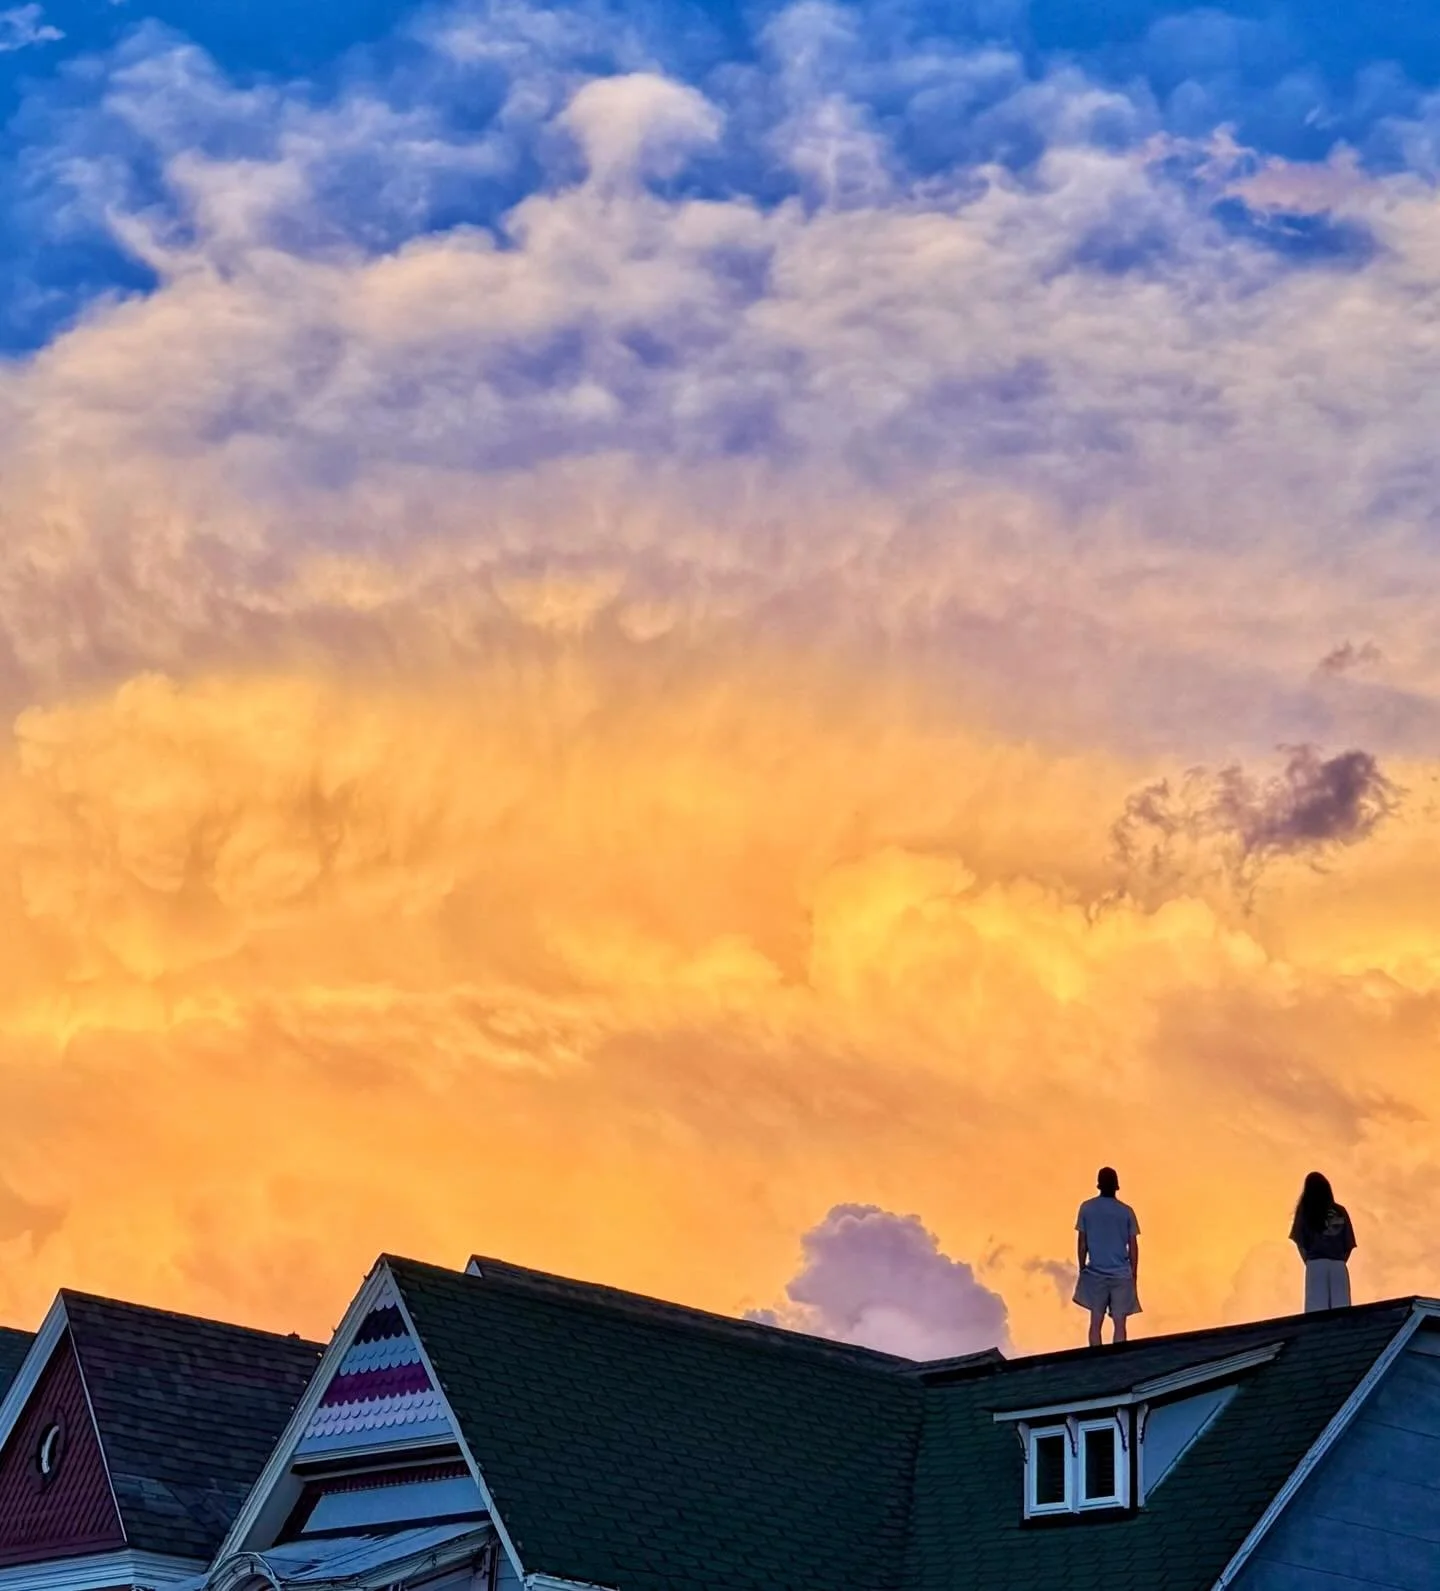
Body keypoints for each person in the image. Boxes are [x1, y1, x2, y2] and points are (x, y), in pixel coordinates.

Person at [1074, 1167, 1141, 1347]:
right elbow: (1133, 1246)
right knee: (1120, 1323)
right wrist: (1134, 1273)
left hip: (1096, 1272)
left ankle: (1096, 1357)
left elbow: (1082, 1243)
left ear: (1099, 1185)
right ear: (1116, 1186)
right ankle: (1117, 1358)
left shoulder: (1087, 1208)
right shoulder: (1126, 1212)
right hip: (1121, 1274)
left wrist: (1082, 1267)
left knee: (1096, 1321)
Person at [1290, 1172, 1356, 1312]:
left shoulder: (1306, 1211)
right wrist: (1339, 1260)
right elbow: (1349, 1244)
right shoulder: (1340, 1211)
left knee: (1316, 1311)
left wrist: (1308, 1260)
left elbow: (1300, 1242)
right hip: (1338, 1264)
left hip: (1316, 1264)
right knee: (1341, 1311)